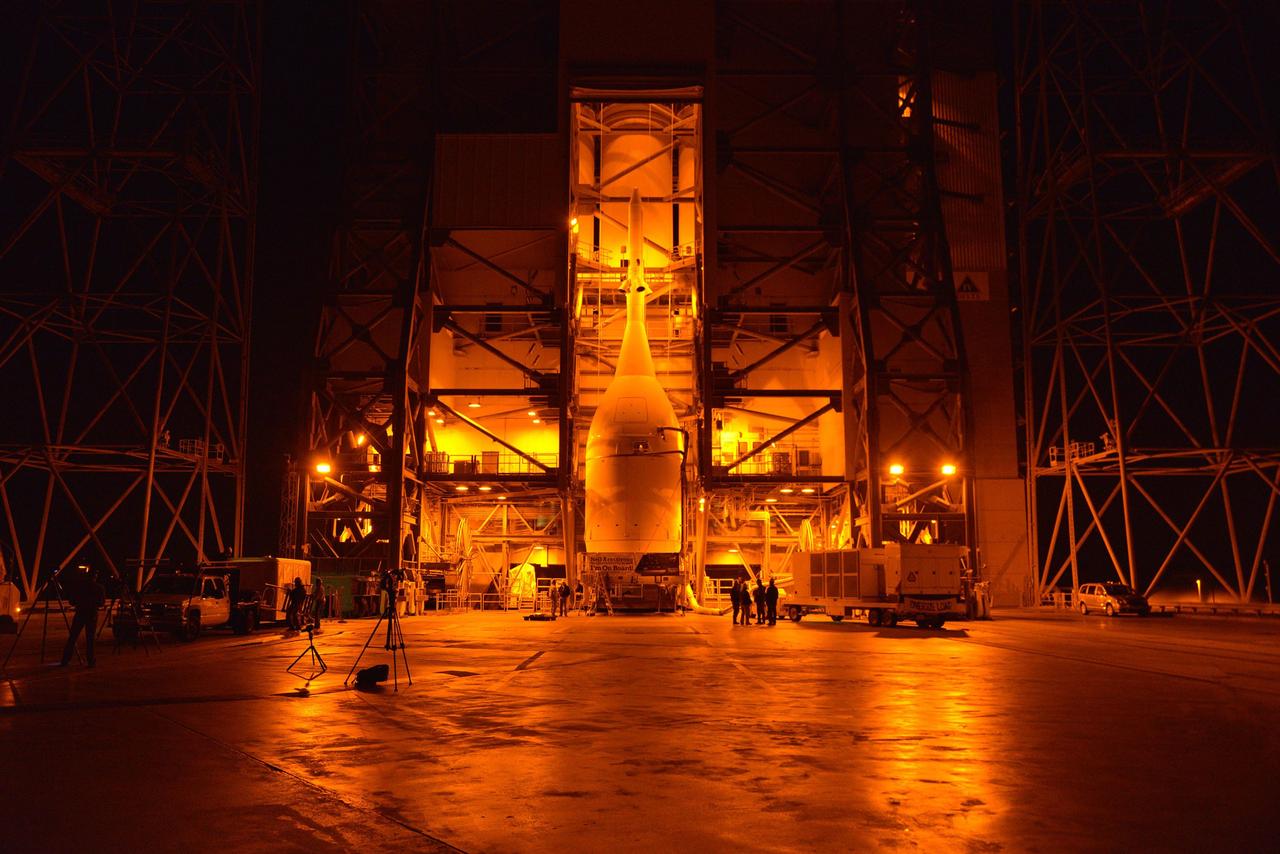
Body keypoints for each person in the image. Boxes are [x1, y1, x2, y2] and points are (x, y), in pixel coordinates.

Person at [60, 566, 105, 667]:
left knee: (73, 637)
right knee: (90, 639)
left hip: (80, 613)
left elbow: (72, 601)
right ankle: (91, 661)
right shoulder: (99, 588)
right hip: (92, 614)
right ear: (95, 576)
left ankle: (65, 660)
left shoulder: (80, 587)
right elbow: (101, 603)